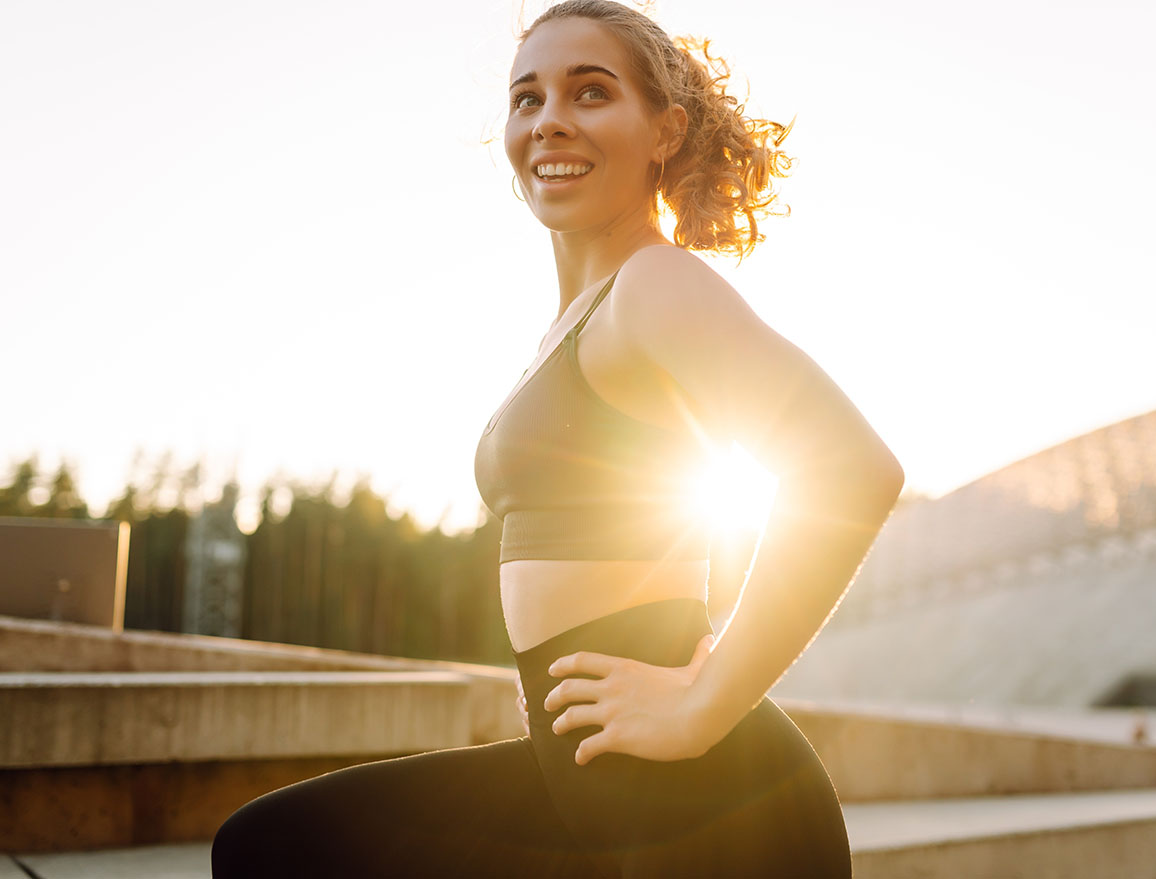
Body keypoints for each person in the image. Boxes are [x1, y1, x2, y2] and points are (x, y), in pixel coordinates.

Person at [210, 1, 903, 876]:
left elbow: (849, 468)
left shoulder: (653, 284)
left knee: (279, 849)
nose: (550, 121)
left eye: (590, 92)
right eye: (527, 97)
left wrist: (703, 702)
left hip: (706, 796)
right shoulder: (572, 324)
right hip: (587, 768)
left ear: (665, 130)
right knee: (276, 846)